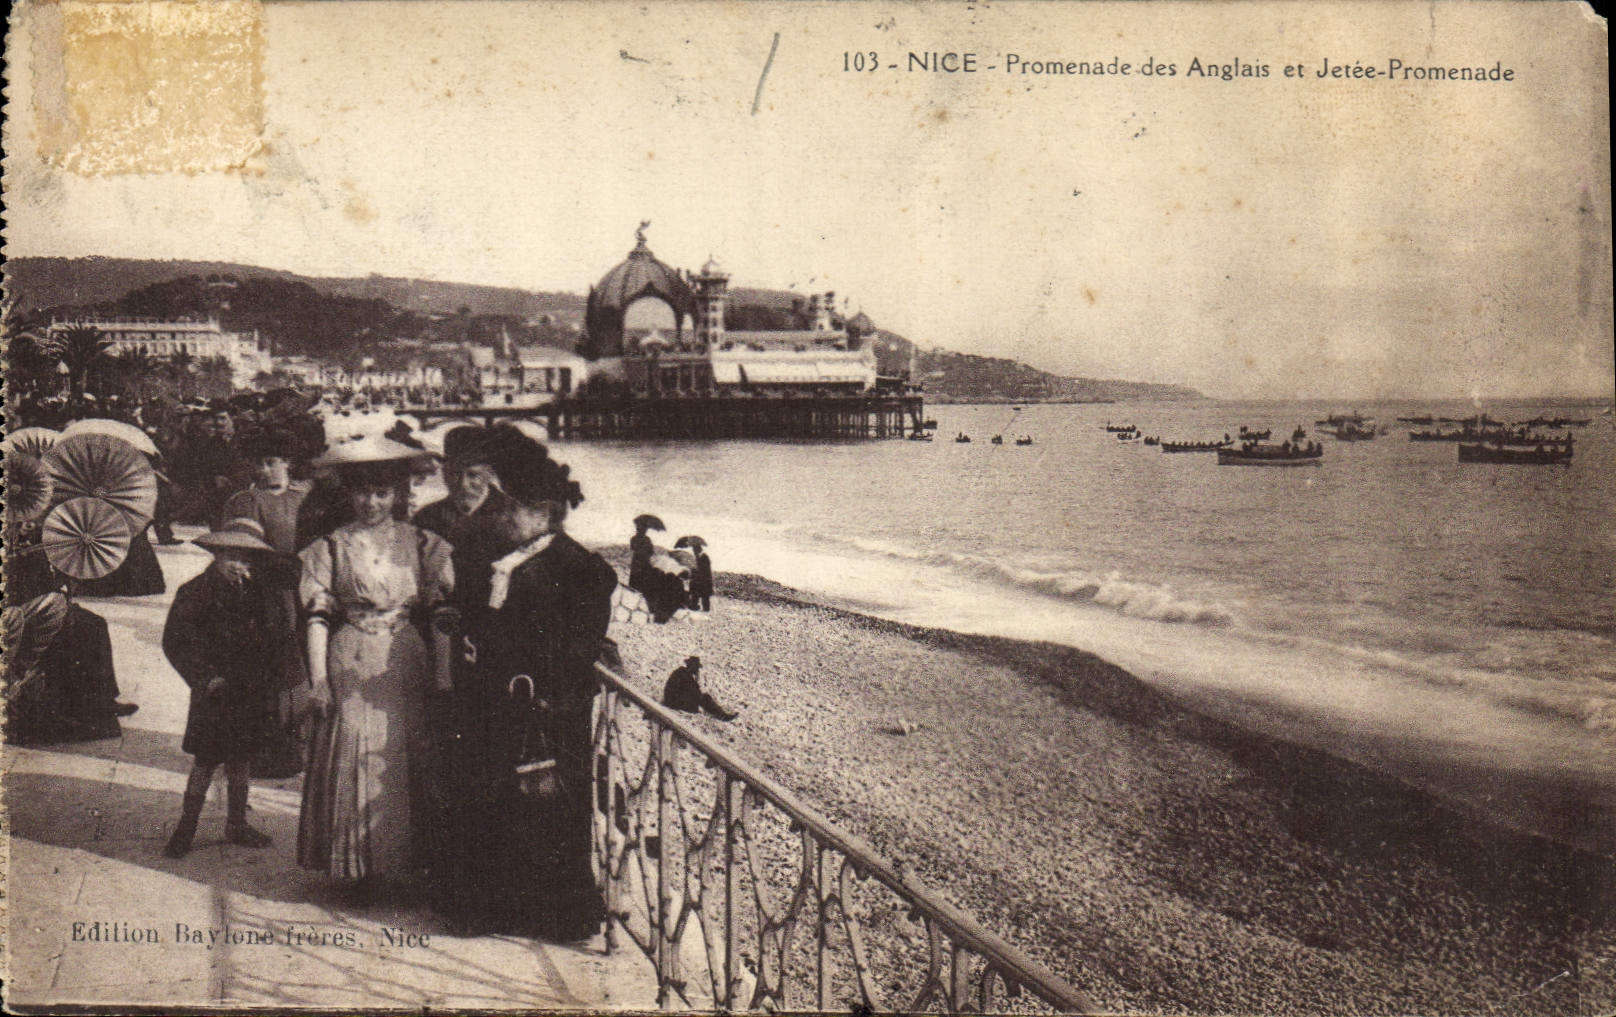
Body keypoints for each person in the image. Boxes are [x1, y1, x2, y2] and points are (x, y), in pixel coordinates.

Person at [436, 425, 617, 939]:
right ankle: (492, 907)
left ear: (543, 512)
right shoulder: (504, 558)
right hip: (497, 706)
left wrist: (542, 694)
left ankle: (556, 915)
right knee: (495, 807)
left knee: (547, 813)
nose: (500, 516)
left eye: (510, 508)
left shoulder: (578, 568)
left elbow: (576, 649)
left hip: (545, 714)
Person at [297, 436, 455, 890]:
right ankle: (357, 867)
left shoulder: (423, 543)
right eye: (363, 492)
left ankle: (409, 863)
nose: (372, 502)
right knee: (354, 746)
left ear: (398, 495)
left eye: (382, 493)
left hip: (404, 655)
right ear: (349, 494)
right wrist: (319, 680)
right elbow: (318, 615)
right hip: (349, 653)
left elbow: (441, 612)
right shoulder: (329, 545)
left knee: (403, 752)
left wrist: (443, 675)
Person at [160, 519, 305, 857]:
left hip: (249, 690)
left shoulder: (257, 594)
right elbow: (175, 642)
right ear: (216, 555)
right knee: (205, 760)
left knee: (241, 759)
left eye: (246, 560)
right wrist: (204, 677)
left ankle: (237, 823)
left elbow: (275, 636)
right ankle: (186, 826)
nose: (238, 566)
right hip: (214, 691)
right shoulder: (194, 592)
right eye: (231, 558)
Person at [221, 428, 315, 778]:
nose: (263, 469)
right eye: (258, 463)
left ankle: (299, 741)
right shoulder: (243, 501)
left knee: (303, 665)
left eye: (271, 462)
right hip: (262, 595)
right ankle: (265, 748)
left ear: (287, 462)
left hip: (304, 591)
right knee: (265, 668)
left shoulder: (306, 497)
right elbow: (232, 548)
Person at [662, 656, 737, 720]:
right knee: (705, 698)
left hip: (672, 700)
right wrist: (697, 679)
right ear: (693, 667)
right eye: (696, 668)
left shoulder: (681, 672)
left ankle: (720, 713)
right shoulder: (686, 676)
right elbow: (696, 693)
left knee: (703, 698)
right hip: (674, 703)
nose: (697, 670)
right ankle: (721, 715)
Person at [687, 540, 714, 612]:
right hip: (697, 580)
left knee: (705, 597)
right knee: (695, 595)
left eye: (694, 550)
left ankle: (705, 610)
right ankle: (694, 607)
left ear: (698, 549)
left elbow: (705, 570)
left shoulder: (705, 557)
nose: (693, 552)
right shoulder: (697, 558)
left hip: (704, 580)